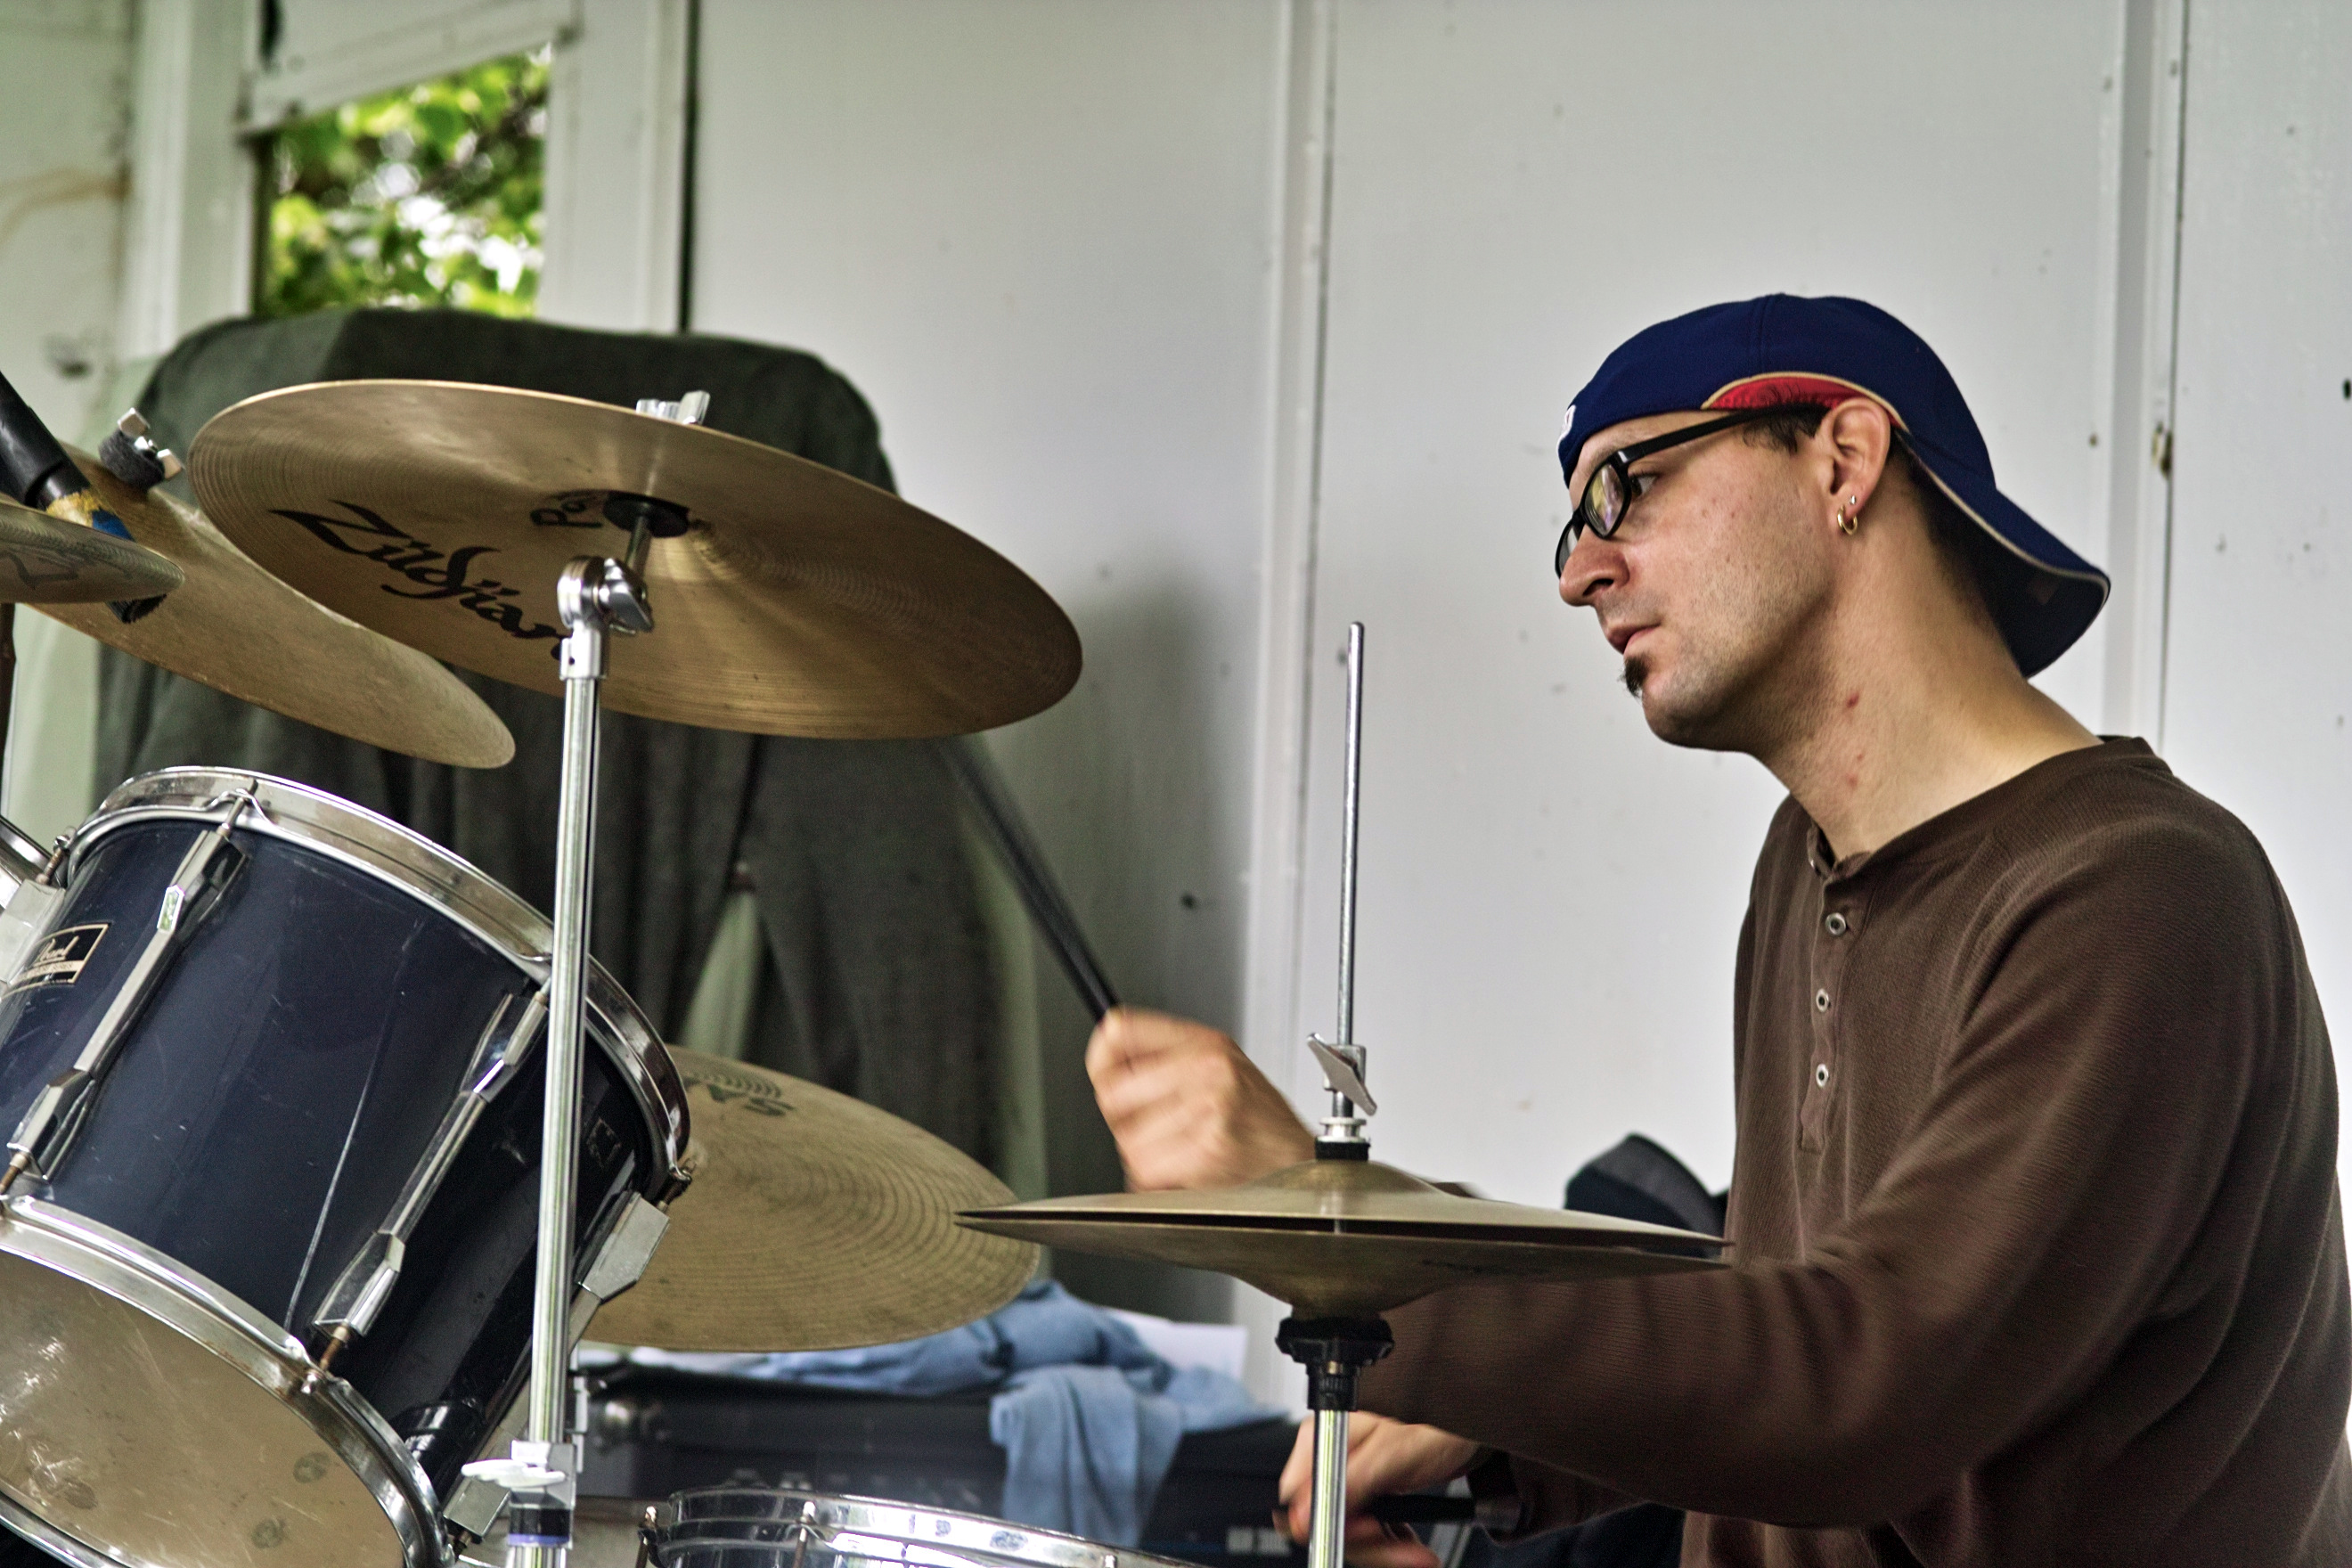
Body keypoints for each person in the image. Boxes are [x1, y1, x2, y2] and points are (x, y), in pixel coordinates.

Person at [1086, 296, 2352, 1566]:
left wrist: (1342, 1240)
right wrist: (1499, 1443)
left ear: (1843, 461)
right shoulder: (1806, 863)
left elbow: (1867, 1384)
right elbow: (1782, 1293)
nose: (1579, 574)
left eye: (1625, 488)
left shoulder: (2143, 895)